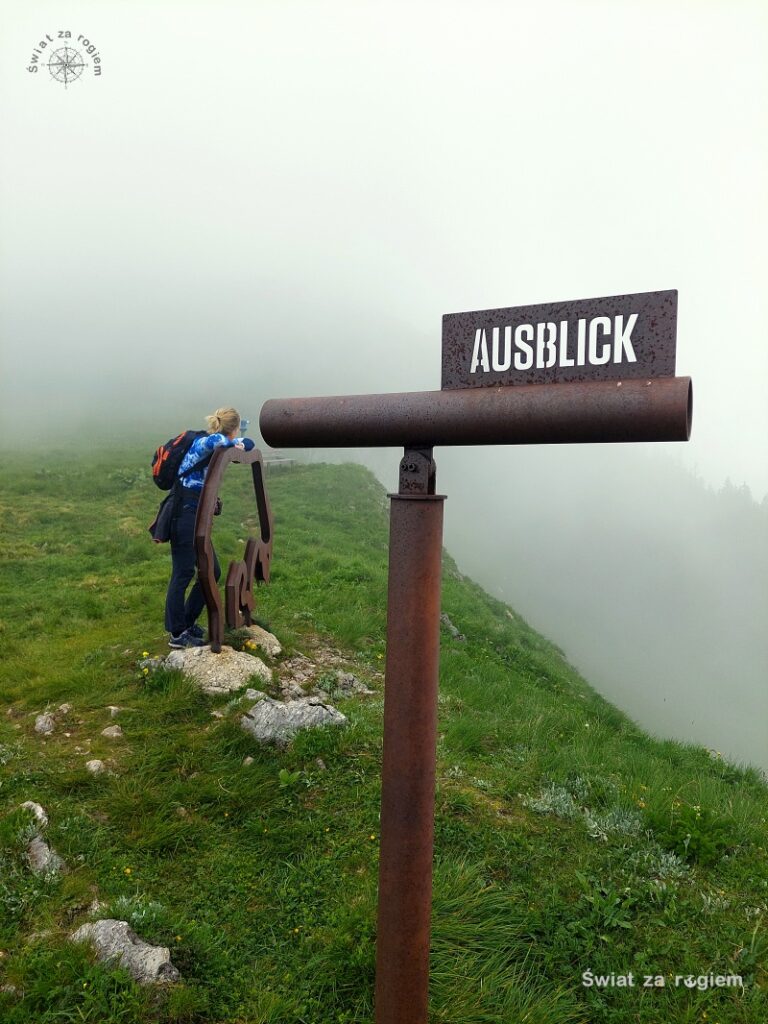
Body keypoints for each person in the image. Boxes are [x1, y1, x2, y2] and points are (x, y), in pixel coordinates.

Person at [164, 407, 255, 648]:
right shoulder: (207, 442)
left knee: (211, 571)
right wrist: (232, 440)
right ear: (232, 428)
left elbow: (249, 443)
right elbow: (220, 440)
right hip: (184, 514)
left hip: (197, 516)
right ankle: (176, 634)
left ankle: (186, 622)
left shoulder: (219, 442)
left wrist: (238, 441)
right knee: (182, 572)